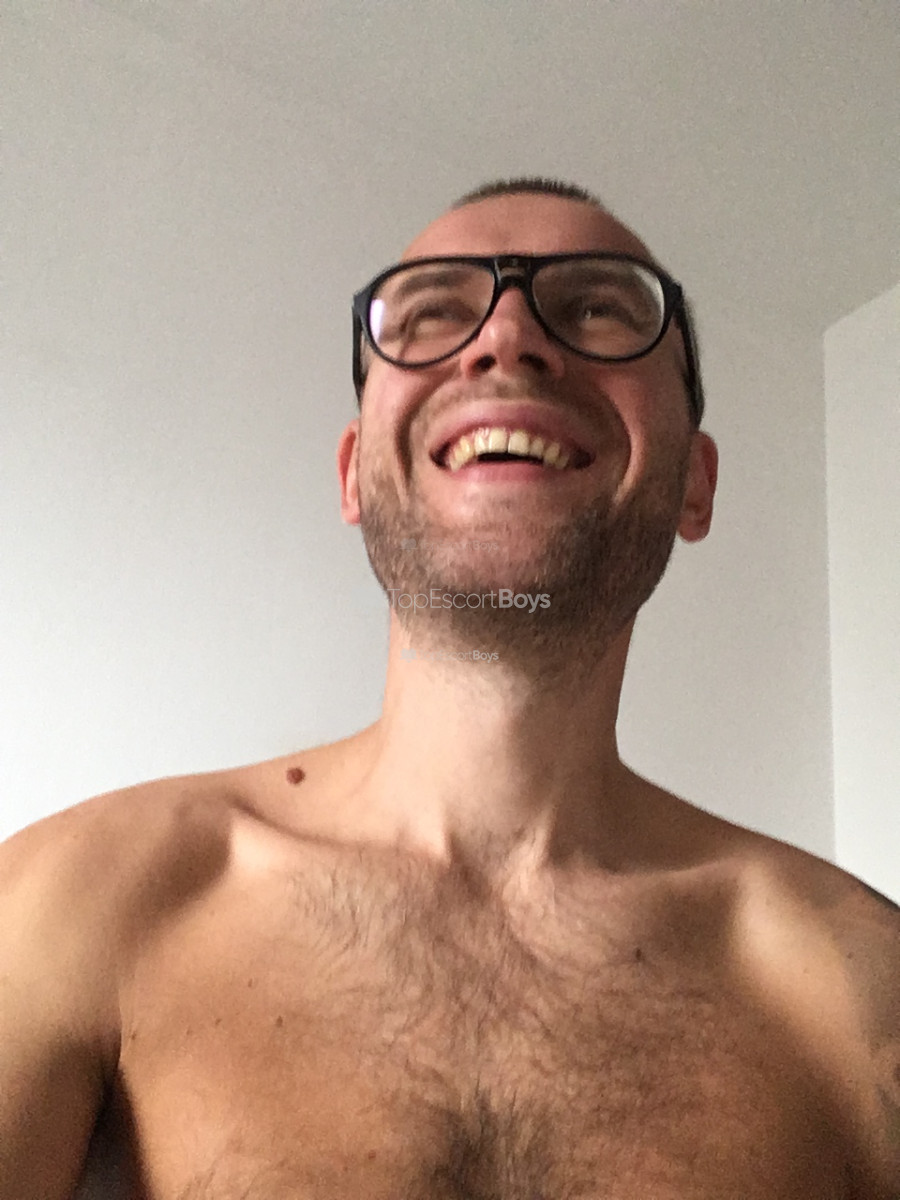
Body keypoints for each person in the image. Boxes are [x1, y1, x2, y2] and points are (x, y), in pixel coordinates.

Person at [2, 178, 898, 1200]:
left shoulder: (856, 986)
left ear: (694, 482)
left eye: (600, 308)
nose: (508, 338)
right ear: (353, 474)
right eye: (432, 312)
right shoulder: (76, 904)